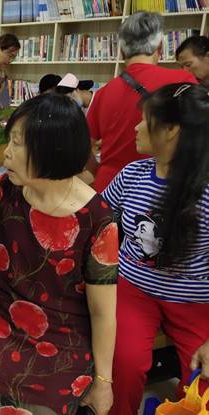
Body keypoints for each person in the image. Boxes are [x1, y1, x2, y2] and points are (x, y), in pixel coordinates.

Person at [0, 94, 119, 415]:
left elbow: (102, 312)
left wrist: (103, 382)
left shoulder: (98, 220)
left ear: (52, 149)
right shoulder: (5, 188)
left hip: (62, 336)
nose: (6, 152)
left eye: (17, 143)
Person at [102, 83, 209, 415]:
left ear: (172, 129)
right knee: (123, 363)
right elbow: (96, 219)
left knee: (203, 382)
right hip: (133, 289)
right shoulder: (132, 174)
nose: (135, 127)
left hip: (194, 300)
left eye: (144, 120)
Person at [86, 12, 197, 193]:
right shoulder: (183, 82)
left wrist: (97, 171)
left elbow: (84, 146)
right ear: (160, 47)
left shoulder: (103, 93)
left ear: (122, 51)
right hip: (158, 188)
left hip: (108, 186)